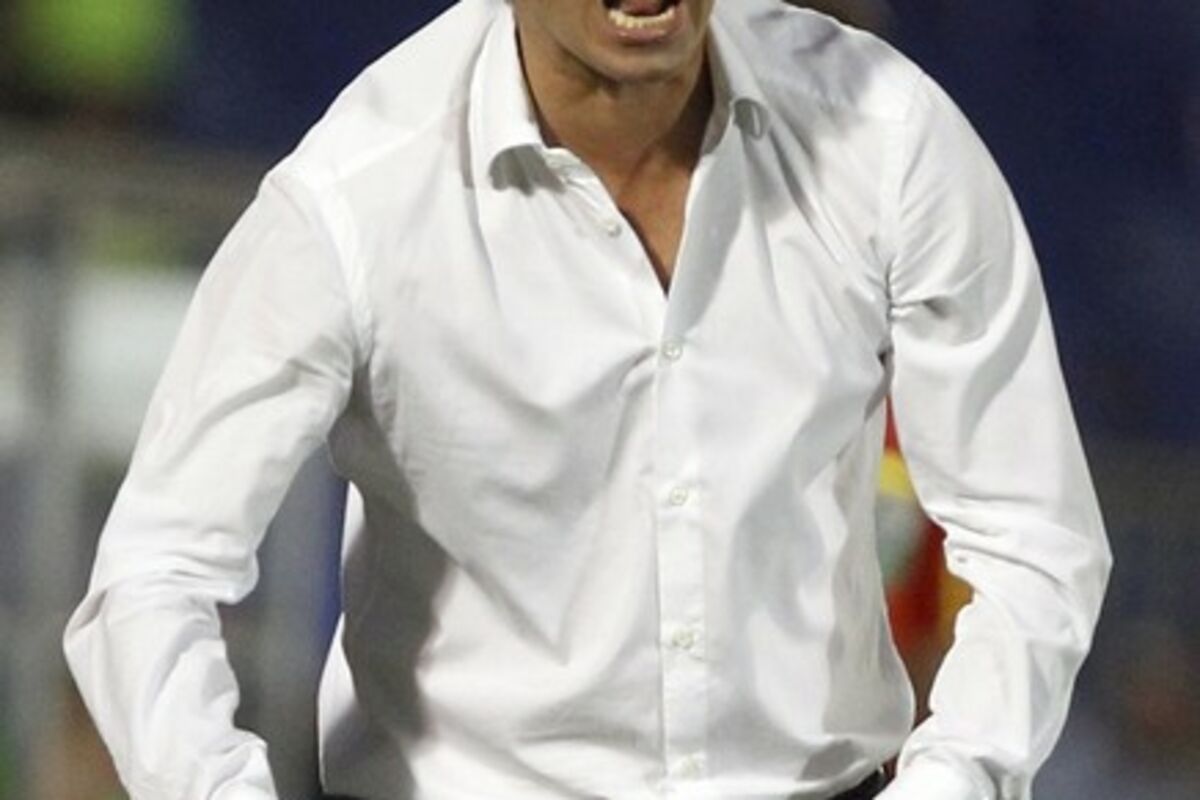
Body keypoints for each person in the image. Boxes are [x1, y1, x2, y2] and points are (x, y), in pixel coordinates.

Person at [63, 0, 1112, 798]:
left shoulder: (887, 134)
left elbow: (1034, 536)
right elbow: (153, 576)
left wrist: (954, 778)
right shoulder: (356, 195)